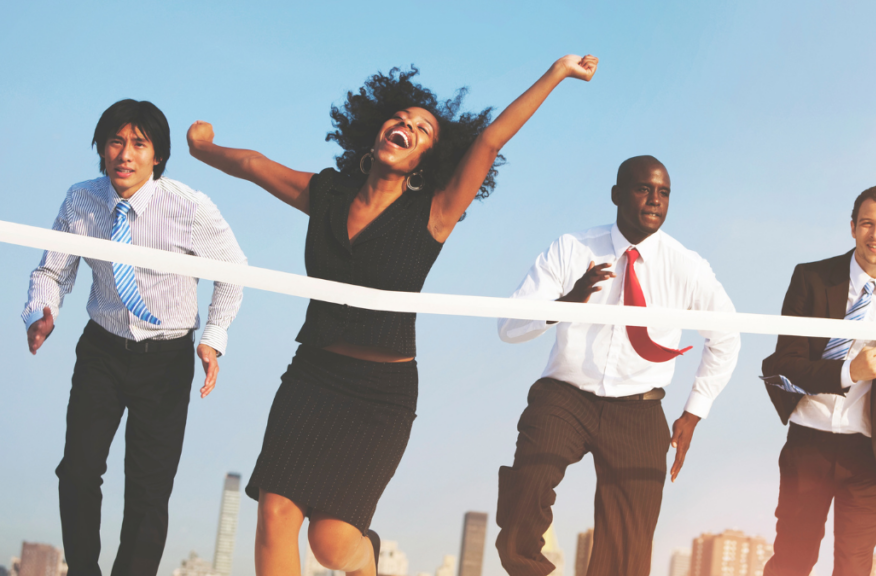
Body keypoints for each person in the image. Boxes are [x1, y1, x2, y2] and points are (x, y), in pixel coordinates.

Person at [186, 54, 599, 576]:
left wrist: (558, 73)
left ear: (429, 157)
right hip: (312, 376)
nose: (406, 126)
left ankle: (368, 558)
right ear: (376, 129)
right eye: (400, 119)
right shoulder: (327, 194)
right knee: (274, 513)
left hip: (380, 395)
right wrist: (202, 148)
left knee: (332, 545)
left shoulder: (435, 212)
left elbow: (490, 142)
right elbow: (253, 166)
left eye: (422, 129)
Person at [22, 99, 247, 576]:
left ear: (157, 156)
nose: (125, 154)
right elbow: (52, 270)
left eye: (138, 144)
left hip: (165, 360)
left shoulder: (189, 207)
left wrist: (213, 335)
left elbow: (233, 269)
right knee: (78, 471)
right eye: (115, 142)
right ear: (102, 150)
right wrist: (42, 311)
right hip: (102, 348)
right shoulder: (81, 201)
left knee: (149, 490)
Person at [495, 155, 741, 576]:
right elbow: (509, 327)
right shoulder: (572, 248)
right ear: (616, 195)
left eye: (663, 193)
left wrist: (694, 411)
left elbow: (727, 336)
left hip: (640, 408)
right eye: (643, 189)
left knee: (628, 553)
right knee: (525, 494)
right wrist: (564, 305)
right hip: (565, 398)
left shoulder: (688, 266)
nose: (654, 200)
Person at [760, 185, 876, 576]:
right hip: (809, 440)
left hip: (871, 453)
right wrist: (848, 372)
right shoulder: (810, 278)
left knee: (855, 568)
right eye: (868, 223)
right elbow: (783, 364)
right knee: (792, 559)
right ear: (853, 227)